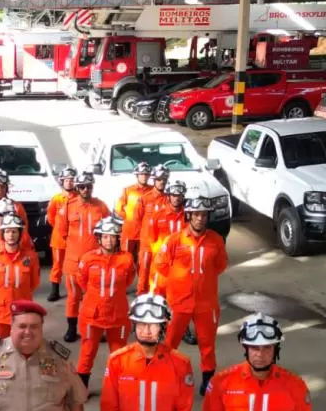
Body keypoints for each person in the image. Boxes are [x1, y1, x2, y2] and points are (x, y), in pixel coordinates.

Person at [152, 195, 229, 395]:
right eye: (196, 214)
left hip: (206, 304)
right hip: (179, 303)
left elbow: (220, 266)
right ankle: (166, 377)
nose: (200, 219)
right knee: (170, 343)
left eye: (204, 215)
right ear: (189, 216)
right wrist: (179, 282)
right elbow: (161, 264)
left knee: (207, 344)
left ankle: (208, 381)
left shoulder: (216, 240)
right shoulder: (174, 240)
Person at [75, 216, 136, 389]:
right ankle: (81, 388)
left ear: (118, 238)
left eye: (113, 236)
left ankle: (119, 387)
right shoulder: (87, 259)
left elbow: (128, 280)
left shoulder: (127, 259)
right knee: (88, 351)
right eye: (106, 236)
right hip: (91, 314)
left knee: (119, 353)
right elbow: (82, 281)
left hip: (118, 313)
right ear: (99, 238)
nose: (109, 240)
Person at [56, 170, 111, 343]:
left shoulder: (101, 206)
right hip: (74, 261)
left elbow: (109, 232)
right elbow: (62, 231)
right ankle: (72, 329)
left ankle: (97, 328)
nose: (85, 190)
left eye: (88, 186)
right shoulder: (68, 206)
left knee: (96, 296)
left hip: (96, 261)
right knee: (73, 296)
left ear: (92, 187)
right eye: (82, 187)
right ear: (77, 188)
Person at [0, 214, 41, 344]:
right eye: (7, 231)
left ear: (20, 234)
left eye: (14, 231)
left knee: (21, 349)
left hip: (22, 314)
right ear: (2, 234)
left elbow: (34, 283)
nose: (11, 235)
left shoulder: (30, 257)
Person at [134, 164, 171, 293]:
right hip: (146, 244)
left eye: (164, 180)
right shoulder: (144, 199)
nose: (161, 182)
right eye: (159, 179)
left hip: (162, 245)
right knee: (143, 273)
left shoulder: (169, 200)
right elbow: (137, 219)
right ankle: (141, 299)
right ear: (154, 180)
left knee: (159, 273)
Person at [46, 166, 78, 301]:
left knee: (76, 265)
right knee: (57, 264)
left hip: (76, 239)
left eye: (71, 180)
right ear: (62, 182)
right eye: (66, 180)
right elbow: (51, 217)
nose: (69, 182)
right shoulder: (56, 199)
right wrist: (60, 228)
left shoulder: (79, 198)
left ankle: (78, 290)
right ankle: (55, 290)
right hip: (59, 239)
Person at [115, 162, 153, 259]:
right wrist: (128, 219)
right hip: (130, 233)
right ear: (137, 175)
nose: (144, 176)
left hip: (146, 233)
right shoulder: (128, 190)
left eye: (146, 174)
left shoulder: (153, 191)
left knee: (143, 261)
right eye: (141, 174)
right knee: (126, 259)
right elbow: (118, 208)